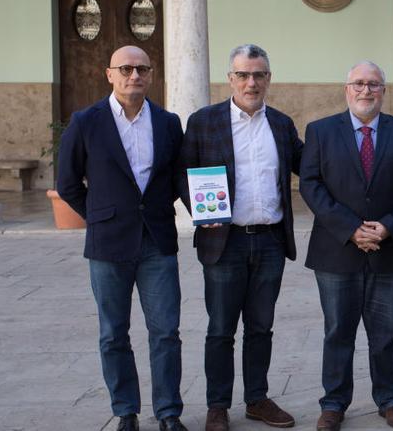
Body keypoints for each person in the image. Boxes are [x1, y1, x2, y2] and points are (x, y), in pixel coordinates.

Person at [57, 45, 187, 431]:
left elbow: (178, 176)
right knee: (113, 333)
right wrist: (100, 217)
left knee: (166, 331)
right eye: (126, 69)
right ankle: (126, 411)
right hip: (108, 244)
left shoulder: (167, 122)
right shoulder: (85, 122)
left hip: (157, 243)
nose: (135, 75)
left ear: (151, 74)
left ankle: (168, 413)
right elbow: (66, 183)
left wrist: (205, 210)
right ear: (109, 74)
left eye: (142, 69)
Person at [299, 61, 393, 431]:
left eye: (374, 84)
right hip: (336, 250)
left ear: (384, 91)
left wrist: (388, 227)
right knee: (338, 330)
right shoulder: (321, 132)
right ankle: (334, 403)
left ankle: (390, 400)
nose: (366, 90)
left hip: (389, 248)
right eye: (359, 83)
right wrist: (350, 227)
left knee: (385, 331)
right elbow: (310, 184)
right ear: (346, 89)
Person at [181, 44, 303, 431]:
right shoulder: (204, 121)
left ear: (269, 78)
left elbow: (311, 167)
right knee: (220, 328)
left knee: (261, 326)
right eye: (243, 75)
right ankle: (218, 405)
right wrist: (202, 213)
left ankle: (257, 399)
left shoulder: (282, 125)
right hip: (224, 242)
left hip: (269, 241)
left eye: (260, 74)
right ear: (230, 78)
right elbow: (184, 174)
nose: (252, 82)